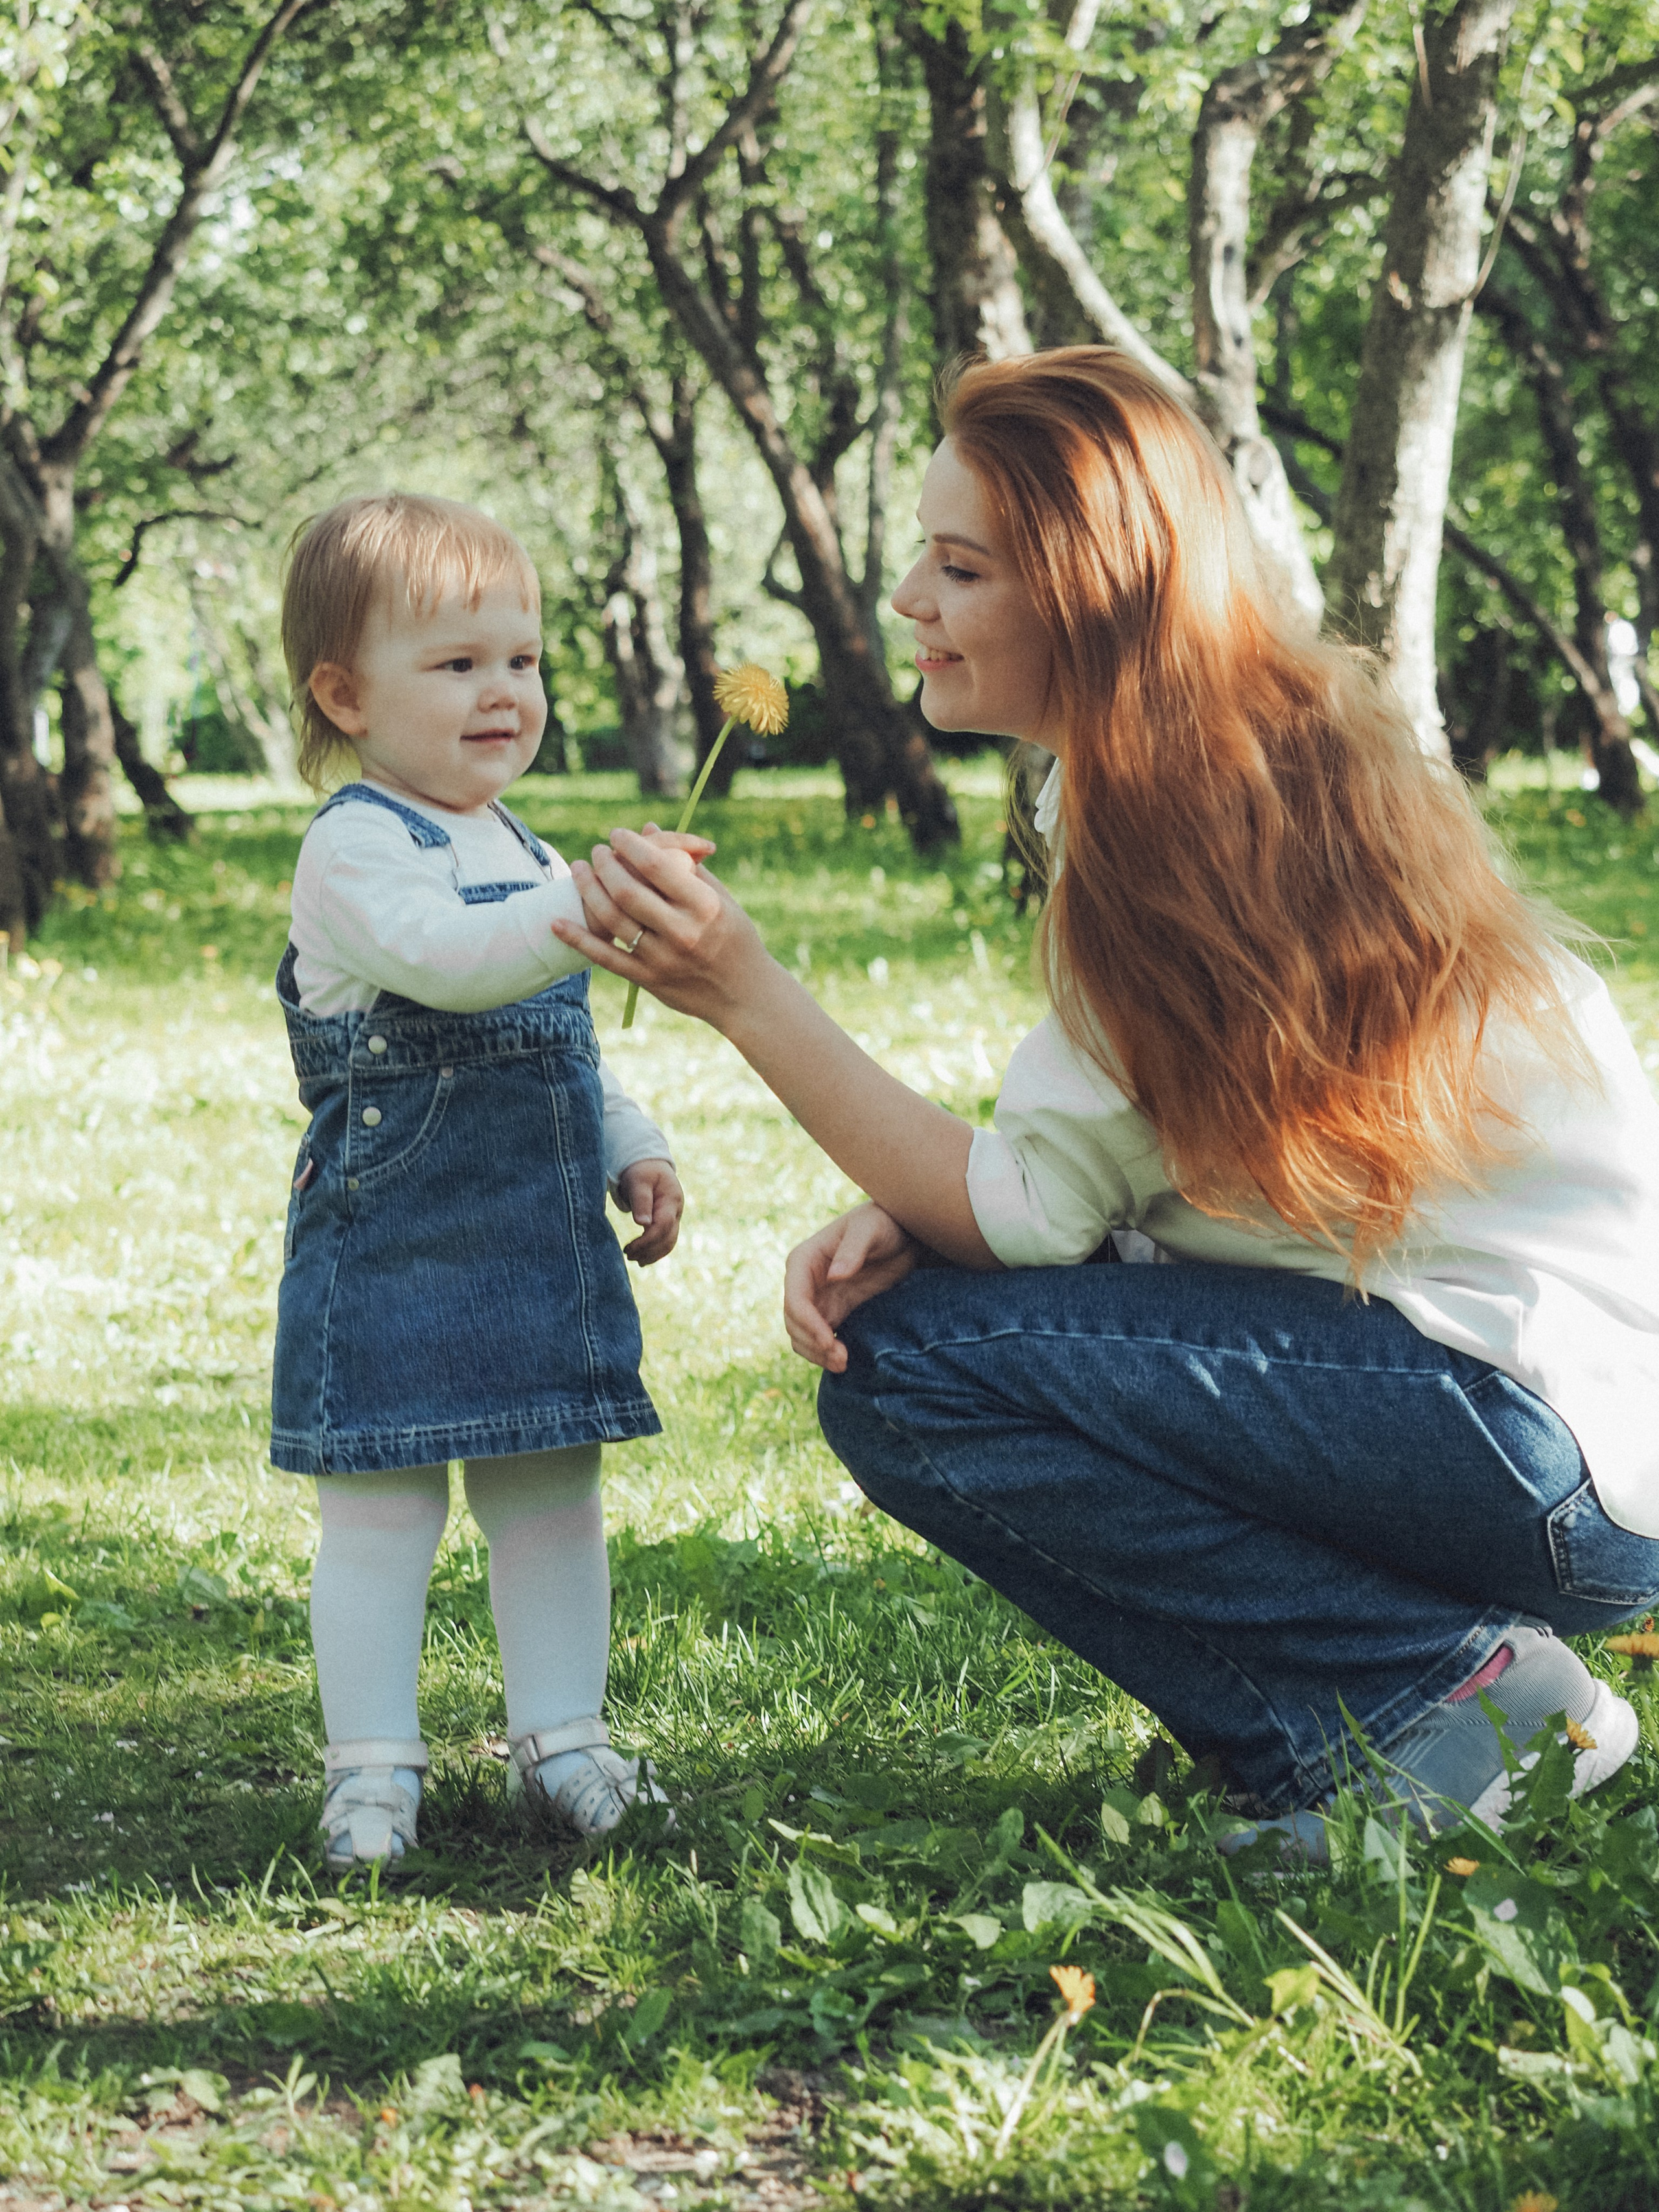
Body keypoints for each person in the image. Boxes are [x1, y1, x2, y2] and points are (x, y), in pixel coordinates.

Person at [551, 349, 1659, 1859]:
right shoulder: (1262, 755)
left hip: (1521, 1434)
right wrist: (921, 1208)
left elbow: (1026, 1221)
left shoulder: (1165, 826)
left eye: (957, 568)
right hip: (1574, 1447)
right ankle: (1407, 1724)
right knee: (932, 1317)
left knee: (903, 1366)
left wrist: (743, 990)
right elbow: (1172, 1156)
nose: (904, 603)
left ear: (1083, 589)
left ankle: (1433, 1699)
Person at [273, 493, 700, 1871]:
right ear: (345, 693)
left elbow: (555, 1030)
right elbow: (454, 968)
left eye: (519, 659)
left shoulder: (518, 847)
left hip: (528, 1234)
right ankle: (370, 1768)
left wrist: (631, 1137)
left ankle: (562, 1735)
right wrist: (597, 898)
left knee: (549, 1493)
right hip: (395, 1237)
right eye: (455, 665)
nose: (500, 692)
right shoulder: (355, 848)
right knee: (383, 1507)